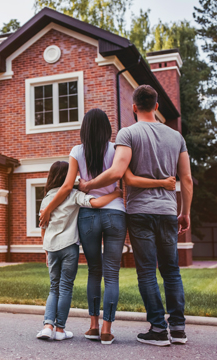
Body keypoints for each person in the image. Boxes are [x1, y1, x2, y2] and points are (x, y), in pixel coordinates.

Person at [39, 108, 176, 345]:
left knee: (94, 270)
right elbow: (126, 177)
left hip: (88, 216)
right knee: (112, 274)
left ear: (84, 129)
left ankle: (92, 326)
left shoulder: (76, 151)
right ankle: (106, 329)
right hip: (115, 213)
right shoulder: (117, 149)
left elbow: (66, 187)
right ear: (107, 129)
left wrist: (49, 208)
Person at [78, 85, 193, 346]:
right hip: (166, 212)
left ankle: (157, 329)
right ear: (157, 106)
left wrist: (88, 185)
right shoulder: (176, 137)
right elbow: (186, 178)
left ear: (133, 107)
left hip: (140, 212)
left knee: (147, 272)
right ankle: (178, 328)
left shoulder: (128, 133)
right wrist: (184, 211)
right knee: (171, 271)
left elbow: (118, 172)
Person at [36, 161, 123, 341]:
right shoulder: (74, 195)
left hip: (51, 249)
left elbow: (43, 227)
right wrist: (115, 193)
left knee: (54, 288)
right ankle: (60, 329)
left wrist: (45, 252)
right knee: (66, 287)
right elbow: (97, 203)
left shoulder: (46, 199)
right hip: (69, 248)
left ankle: (47, 326)